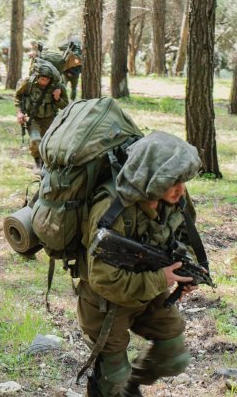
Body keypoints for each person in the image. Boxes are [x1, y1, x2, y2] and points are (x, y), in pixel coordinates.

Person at [78, 131, 202, 397]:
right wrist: (162, 279)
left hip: (150, 291)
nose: (181, 188)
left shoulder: (175, 198)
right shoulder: (112, 208)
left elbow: (185, 236)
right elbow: (101, 278)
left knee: (174, 357)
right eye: (173, 181)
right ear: (152, 178)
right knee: (113, 378)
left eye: (182, 180)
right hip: (105, 303)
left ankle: (129, 385)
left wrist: (184, 270)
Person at [14, 58, 68, 172]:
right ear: (37, 77)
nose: (44, 81)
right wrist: (19, 112)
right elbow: (17, 96)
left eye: (46, 79)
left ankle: (45, 163)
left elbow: (66, 106)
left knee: (48, 142)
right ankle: (37, 162)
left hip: (50, 119)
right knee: (35, 139)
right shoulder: (28, 83)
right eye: (42, 78)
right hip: (32, 118)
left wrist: (57, 98)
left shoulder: (58, 86)